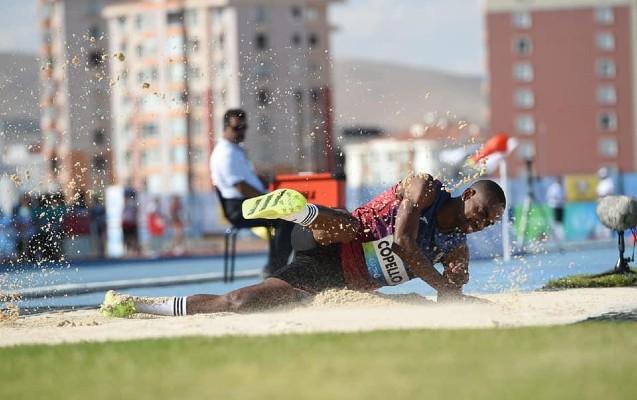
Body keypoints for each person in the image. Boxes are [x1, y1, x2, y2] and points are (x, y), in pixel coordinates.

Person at [101, 175, 506, 317]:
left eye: (491, 222)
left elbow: (450, 297)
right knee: (352, 226)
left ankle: (137, 305)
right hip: (324, 233)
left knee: (241, 303)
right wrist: (440, 283)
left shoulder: (456, 248)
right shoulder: (426, 188)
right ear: (468, 193)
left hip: (329, 277)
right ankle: (297, 210)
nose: (482, 222)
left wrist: (456, 289)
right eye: (484, 211)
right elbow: (401, 241)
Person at [210, 108, 294, 276]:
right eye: (236, 128)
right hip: (238, 208)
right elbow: (240, 186)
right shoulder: (225, 153)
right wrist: (269, 201)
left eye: (244, 127)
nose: (241, 132)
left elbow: (248, 179)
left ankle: (275, 267)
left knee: (284, 214)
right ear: (225, 128)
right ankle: (277, 271)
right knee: (285, 217)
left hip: (246, 202)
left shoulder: (235, 150)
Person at [545, 177, 565, 245]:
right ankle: (554, 236)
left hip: (560, 206)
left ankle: (560, 236)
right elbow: (552, 196)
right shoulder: (553, 188)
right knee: (555, 222)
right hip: (555, 206)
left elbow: (562, 196)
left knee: (560, 222)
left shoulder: (561, 187)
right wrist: (557, 200)